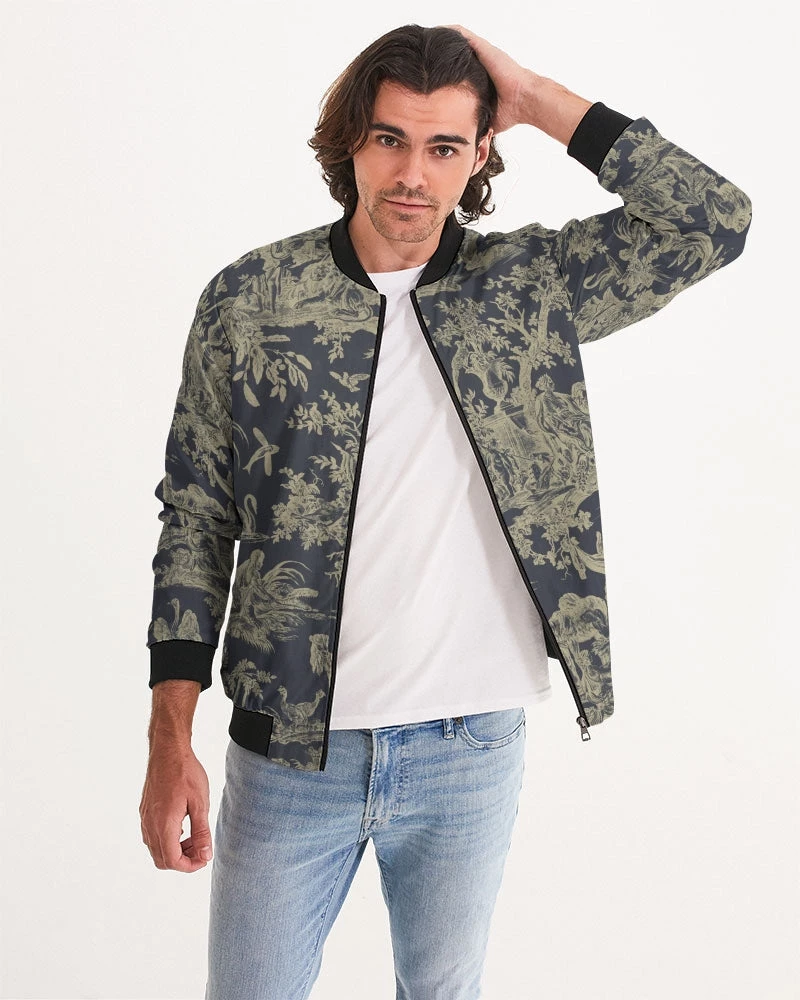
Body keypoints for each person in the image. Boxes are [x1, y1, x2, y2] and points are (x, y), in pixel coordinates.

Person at [139, 23, 751, 1000]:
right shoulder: (252, 301)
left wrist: (538, 98)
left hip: (468, 748)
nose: (413, 175)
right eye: (390, 139)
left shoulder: (529, 289)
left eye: (444, 146)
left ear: (479, 155)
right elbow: (196, 518)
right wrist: (169, 738)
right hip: (289, 748)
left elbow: (713, 220)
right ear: (350, 139)